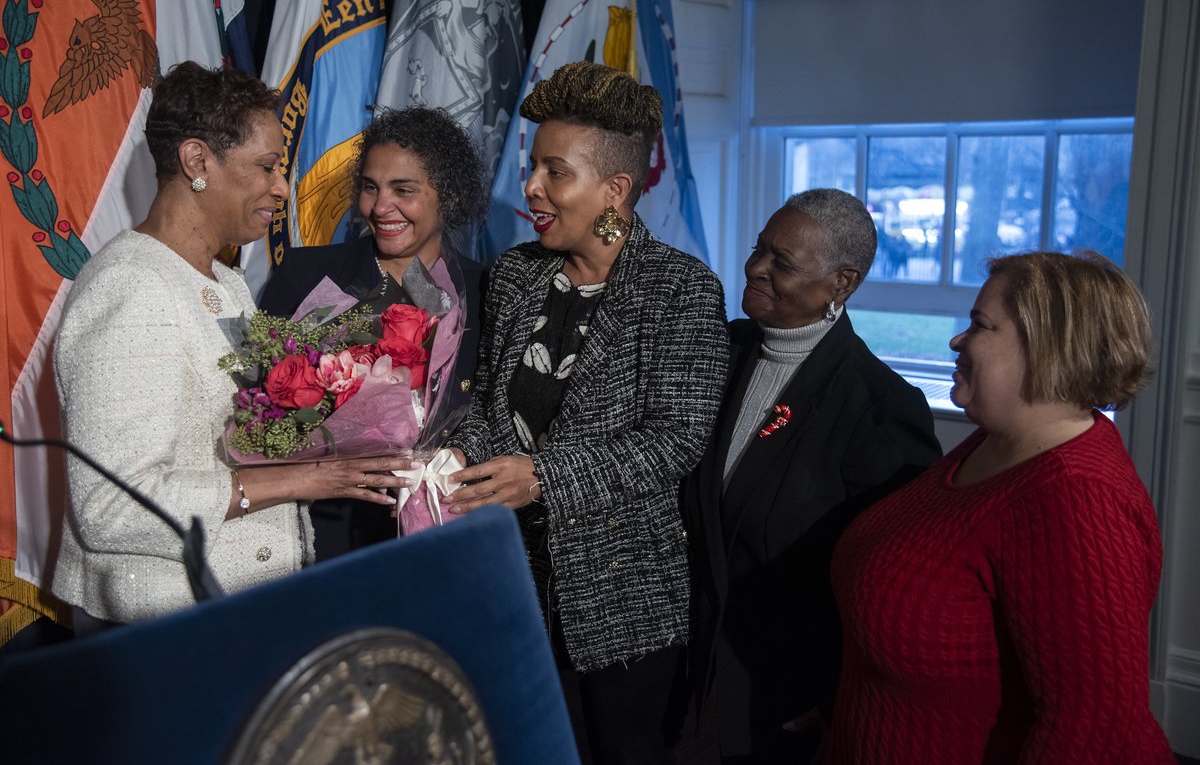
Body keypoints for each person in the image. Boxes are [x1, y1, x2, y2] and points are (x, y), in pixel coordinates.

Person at [52, 62, 411, 632]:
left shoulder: (226, 283)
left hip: (243, 615)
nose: (281, 188)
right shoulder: (131, 288)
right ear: (198, 162)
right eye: (267, 167)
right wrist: (309, 479)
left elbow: (237, 437)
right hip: (163, 633)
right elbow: (111, 510)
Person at [442, 61, 730, 764]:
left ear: (614, 190)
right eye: (533, 167)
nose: (531, 189)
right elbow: (483, 399)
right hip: (509, 585)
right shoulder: (514, 274)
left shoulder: (681, 289)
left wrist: (540, 477)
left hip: (624, 604)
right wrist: (466, 459)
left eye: (553, 172)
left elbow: (674, 439)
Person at [826, 251, 1174, 764]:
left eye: (980, 325)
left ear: (1050, 347)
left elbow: (1094, 731)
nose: (957, 340)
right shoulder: (1000, 442)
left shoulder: (1076, 500)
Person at [681, 189, 942, 764]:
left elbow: (890, 586)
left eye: (783, 261)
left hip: (781, 695)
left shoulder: (881, 408)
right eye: (759, 249)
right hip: (685, 673)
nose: (755, 267)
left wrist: (833, 690)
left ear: (841, 284)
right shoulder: (720, 347)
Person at [258, 106, 488, 560]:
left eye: (403, 190)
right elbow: (259, 409)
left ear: (452, 197)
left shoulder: (487, 292)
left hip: (443, 534)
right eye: (369, 188)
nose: (380, 208)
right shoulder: (304, 275)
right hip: (318, 534)